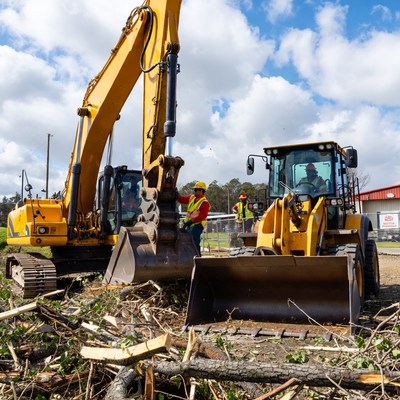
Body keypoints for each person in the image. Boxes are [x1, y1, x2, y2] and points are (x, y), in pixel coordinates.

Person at [178, 181, 210, 256]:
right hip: (190, 225)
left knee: (194, 242)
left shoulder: (204, 202)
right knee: (186, 241)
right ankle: (189, 258)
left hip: (197, 225)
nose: (194, 191)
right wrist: (176, 195)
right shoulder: (192, 197)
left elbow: (202, 216)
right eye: (194, 190)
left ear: (201, 191)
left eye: (196, 190)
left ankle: (198, 259)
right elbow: (182, 199)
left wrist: (191, 221)